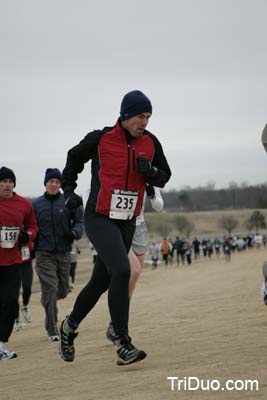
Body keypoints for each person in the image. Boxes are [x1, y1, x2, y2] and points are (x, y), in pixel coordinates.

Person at [58, 90, 171, 366]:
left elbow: (165, 175)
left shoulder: (151, 143)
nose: (144, 122)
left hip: (127, 221)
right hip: (99, 217)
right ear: (125, 115)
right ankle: (122, 341)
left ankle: (69, 327)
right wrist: (69, 191)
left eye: (148, 117)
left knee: (101, 282)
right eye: (140, 116)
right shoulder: (101, 139)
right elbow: (73, 159)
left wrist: (151, 174)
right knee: (122, 269)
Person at [106, 184, 163, 341]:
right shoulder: (120, 167)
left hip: (139, 227)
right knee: (134, 270)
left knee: (133, 279)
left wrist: (152, 195)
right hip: (118, 225)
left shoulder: (148, 174)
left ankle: (115, 322)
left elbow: (158, 206)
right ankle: (118, 325)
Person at [32, 168, 83, 341]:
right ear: (45, 183)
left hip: (64, 252)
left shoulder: (68, 202)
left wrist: (74, 233)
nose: (54, 184)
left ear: (60, 185)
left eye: (57, 182)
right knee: (51, 288)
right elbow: (29, 225)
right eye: (51, 181)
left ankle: (48, 298)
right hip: (43, 252)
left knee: (63, 289)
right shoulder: (36, 205)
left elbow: (79, 222)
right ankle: (52, 330)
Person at [0, 167, 37, 360]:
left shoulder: (23, 204)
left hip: (13, 261)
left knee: (11, 302)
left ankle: (1, 343)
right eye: (3, 181)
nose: (7, 184)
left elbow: (32, 226)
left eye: (10, 181)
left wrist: (26, 236)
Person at [14, 241, 35, 331]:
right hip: (13, 264)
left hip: (26, 262)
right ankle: (16, 319)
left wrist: (34, 250)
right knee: (14, 293)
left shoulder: (29, 227)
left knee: (27, 288)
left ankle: (25, 306)